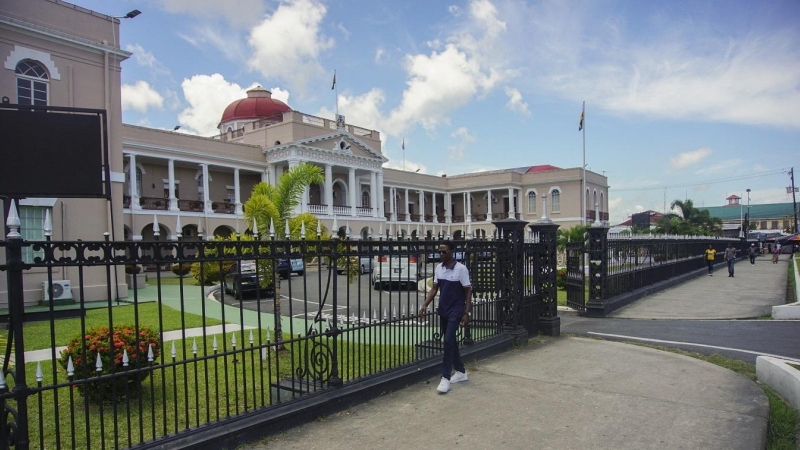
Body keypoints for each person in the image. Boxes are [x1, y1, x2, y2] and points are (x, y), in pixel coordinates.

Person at [419, 240, 472, 394]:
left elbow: (468, 290)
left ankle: (445, 377)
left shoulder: (461, 269)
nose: (441, 254)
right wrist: (425, 304)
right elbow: (434, 288)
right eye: (439, 252)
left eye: (444, 251)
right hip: (443, 310)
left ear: (452, 252)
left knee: (448, 340)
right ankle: (461, 372)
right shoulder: (439, 268)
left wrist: (466, 312)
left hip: (456, 310)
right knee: (451, 341)